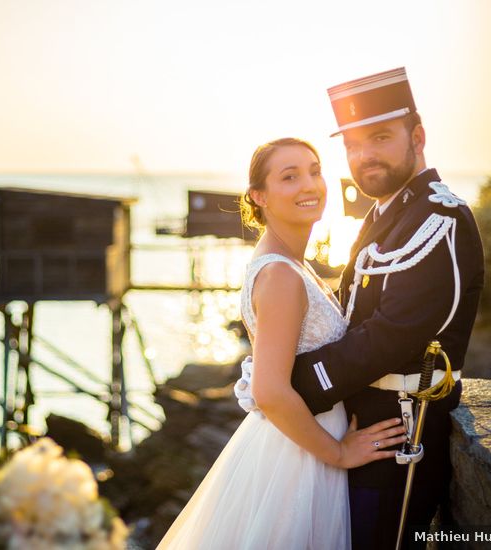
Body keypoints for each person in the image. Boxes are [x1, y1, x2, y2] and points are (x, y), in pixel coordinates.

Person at [236, 67, 485, 549]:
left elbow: (389, 335)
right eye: (351, 144)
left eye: (380, 138)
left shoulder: (439, 218)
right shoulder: (384, 217)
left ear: (418, 137)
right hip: (361, 433)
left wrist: (295, 383)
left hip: (398, 435)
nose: (363, 155)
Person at [157, 137, 409, 550]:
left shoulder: (289, 263)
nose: (309, 185)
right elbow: (270, 390)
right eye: (289, 177)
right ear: (259, 196)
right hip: (298, 458)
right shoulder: (281, 276)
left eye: (314, 170)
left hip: (299, 443)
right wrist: (339, 454)